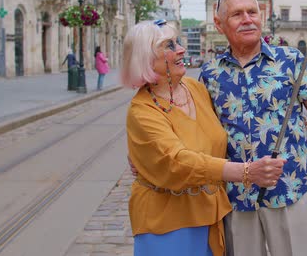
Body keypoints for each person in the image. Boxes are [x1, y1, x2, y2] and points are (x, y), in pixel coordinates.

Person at [200, 0, 307, 255]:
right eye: (237, 14)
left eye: (252, 12)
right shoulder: (210, 73)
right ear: (219, 24)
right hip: (237, 193)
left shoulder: (290, 60)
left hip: (292, 186)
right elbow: (199, 128)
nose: (247, 19)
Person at [121, 19, 286, 256]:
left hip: (209, 214)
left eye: (178, 42)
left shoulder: (194, 88)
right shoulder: (142, 110)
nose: (181, 49)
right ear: (145, 59)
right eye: (169, 45)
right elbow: (177, 162)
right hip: (166, 222)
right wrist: (247, 172)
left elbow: (230, 124)